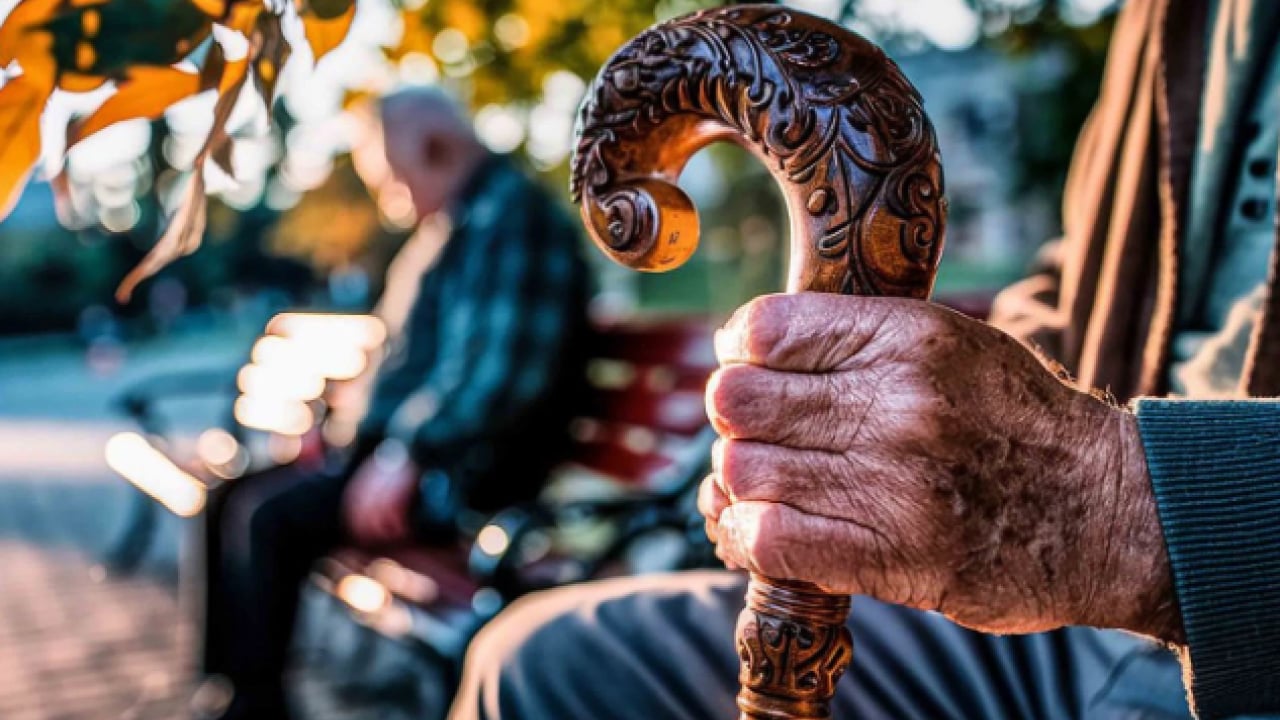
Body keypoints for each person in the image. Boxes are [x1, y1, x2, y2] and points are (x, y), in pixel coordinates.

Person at [448, 1, 1280, 718]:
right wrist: (911, 442)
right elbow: (1091, 273)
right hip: (1073, 636)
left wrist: (1111, 506)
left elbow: (1095, 494)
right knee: (537, 668)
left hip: (1234, 640)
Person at [200, 87, 591, 720]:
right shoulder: (457, 224)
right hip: (412, 457)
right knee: (229, 498)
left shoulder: (510, 220)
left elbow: (494, 378)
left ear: (435, 149)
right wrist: (333, 428)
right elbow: (403, 364)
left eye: (391, 180)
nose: (390, 201)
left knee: (266, 519)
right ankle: (227, 694)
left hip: (467, 476)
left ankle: (252, 705)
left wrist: (410, 451)